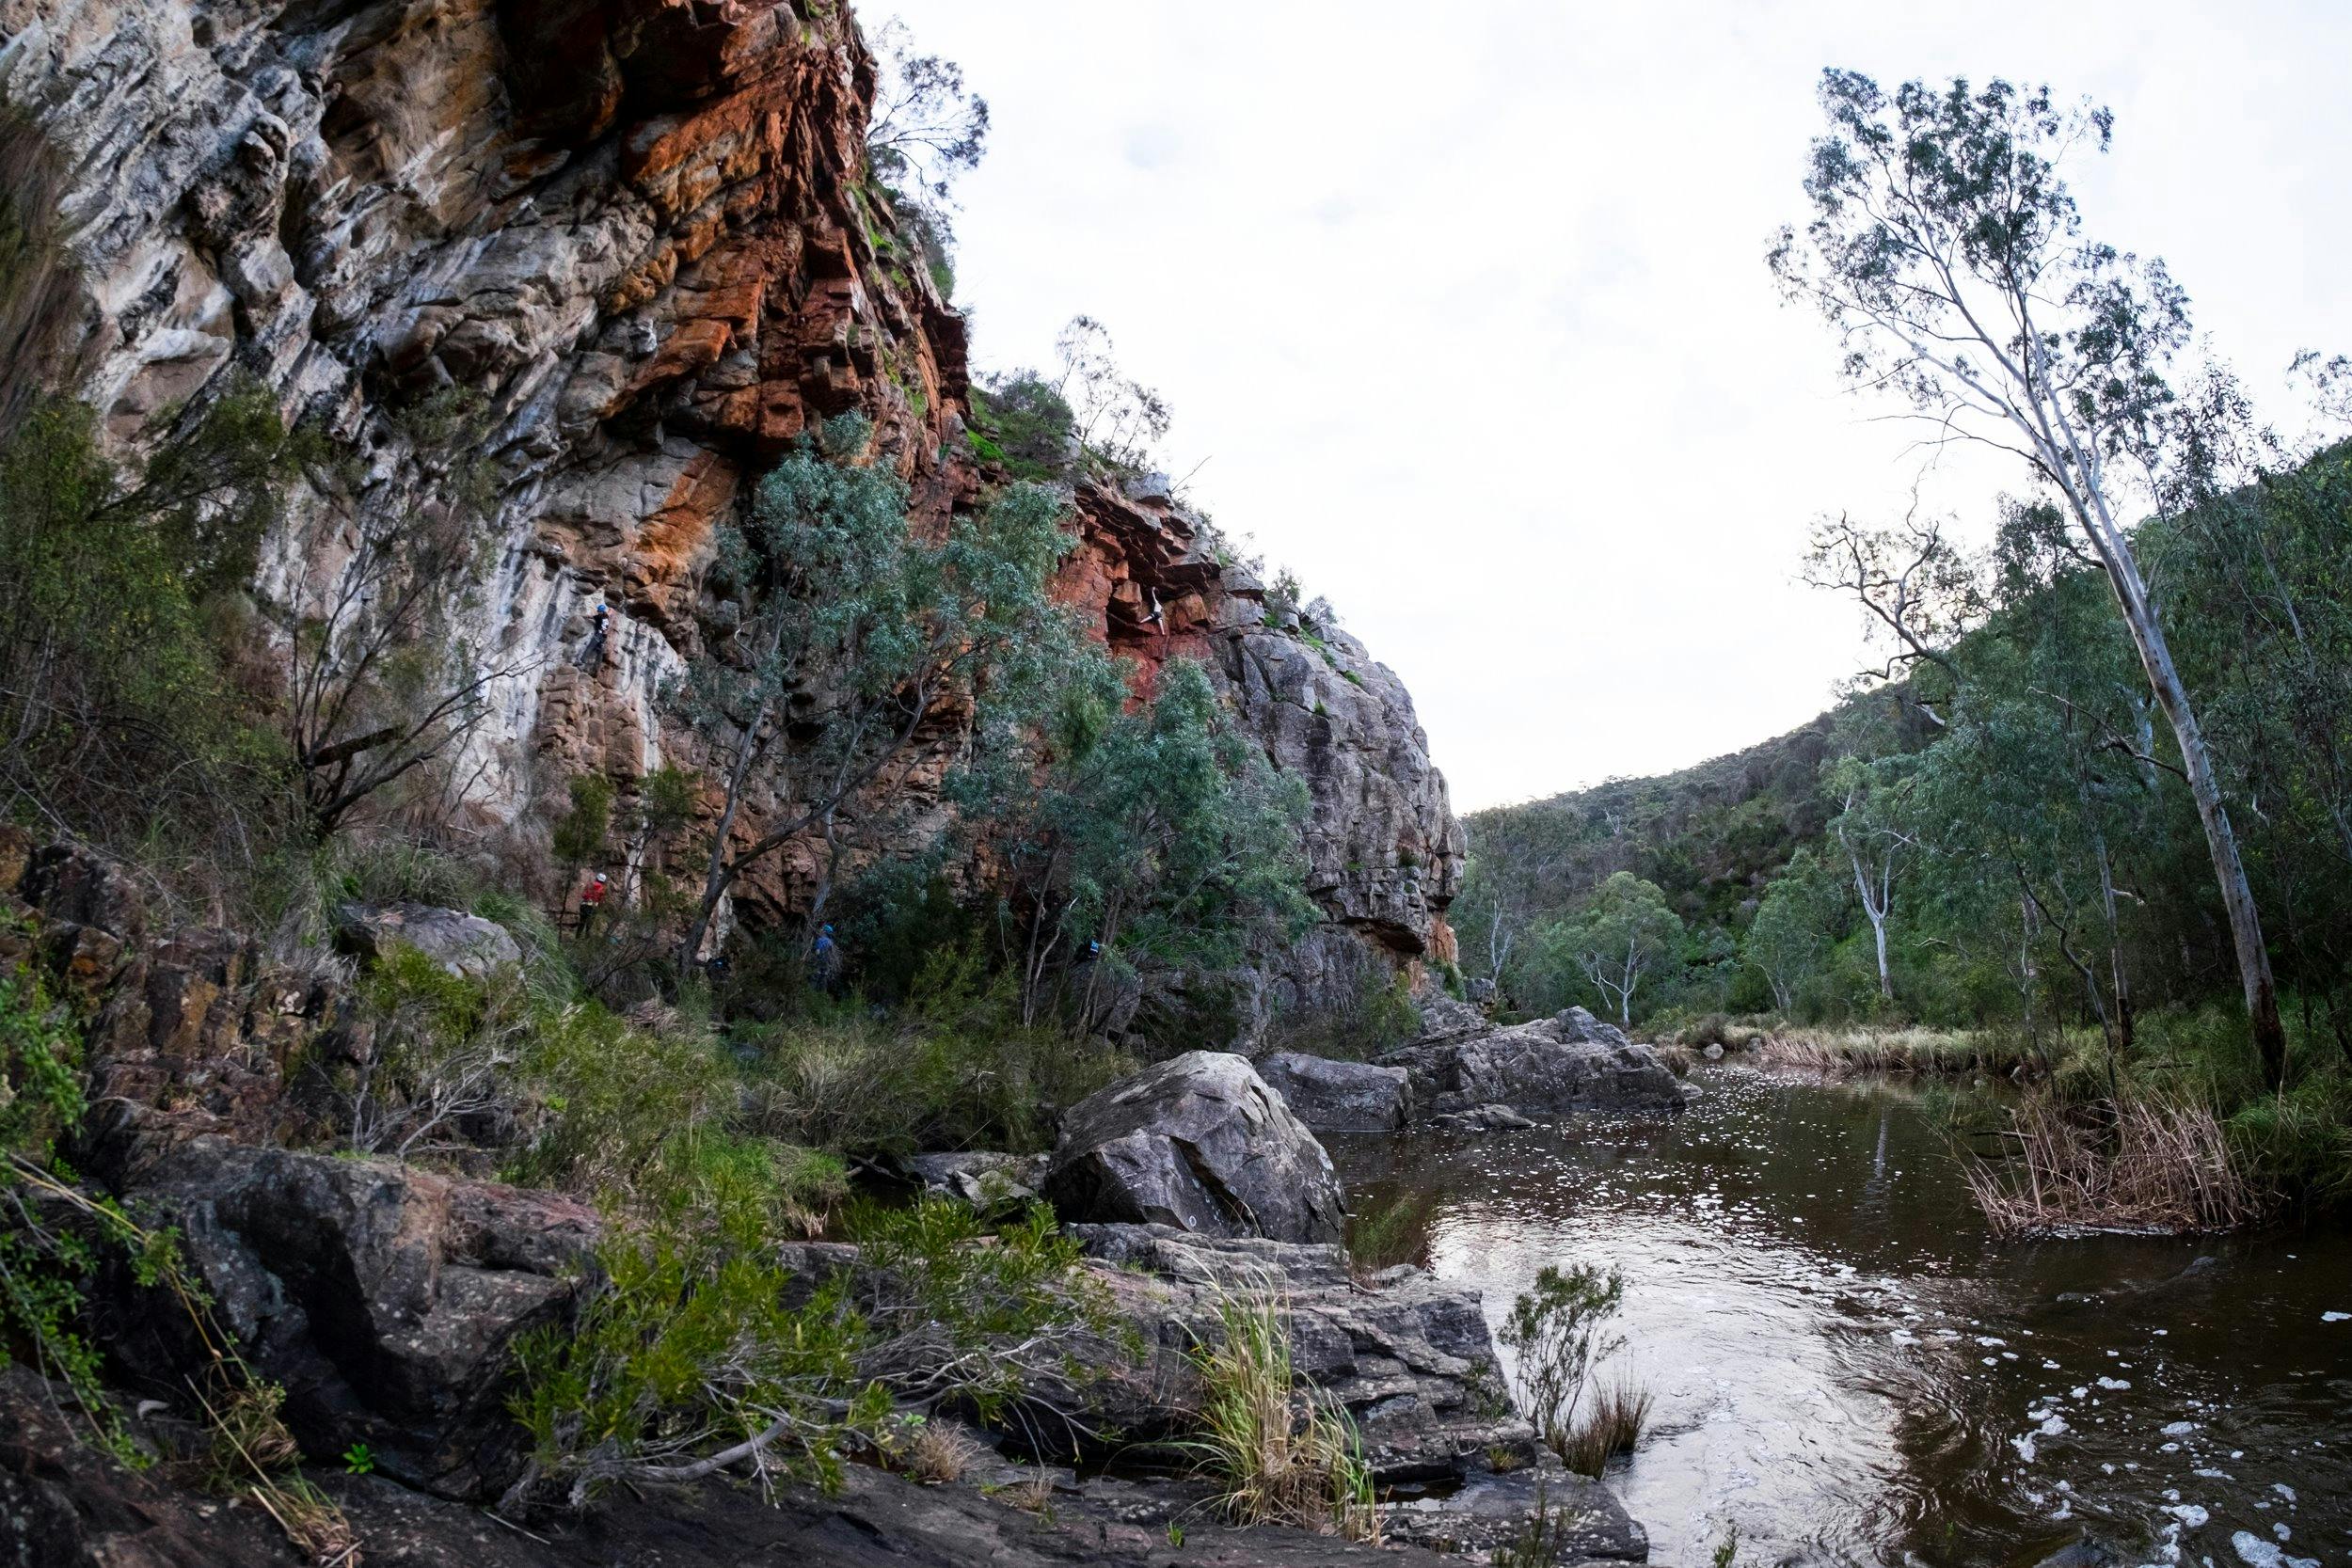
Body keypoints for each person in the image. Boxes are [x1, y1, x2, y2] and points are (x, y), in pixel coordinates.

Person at [811, 923, 841, 993]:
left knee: (815, 977)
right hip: (827, 963)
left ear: (824, 931)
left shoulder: (820, 940)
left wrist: (815, 959)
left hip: (819, 962)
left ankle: (810, 993)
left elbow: (817, 952)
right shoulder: (830, 942)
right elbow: (831, 954)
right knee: (824, 980)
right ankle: (822, 996)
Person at [578, 871, 609, 936]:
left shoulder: (590, 884)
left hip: (584, 905)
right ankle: (586, 941)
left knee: (582, 923)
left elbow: (583, 895)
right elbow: (601, 900)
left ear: (597, 878)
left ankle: (577, 938)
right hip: (593, 907)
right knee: (589, 926)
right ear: (603, 881)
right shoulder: (603, 888)